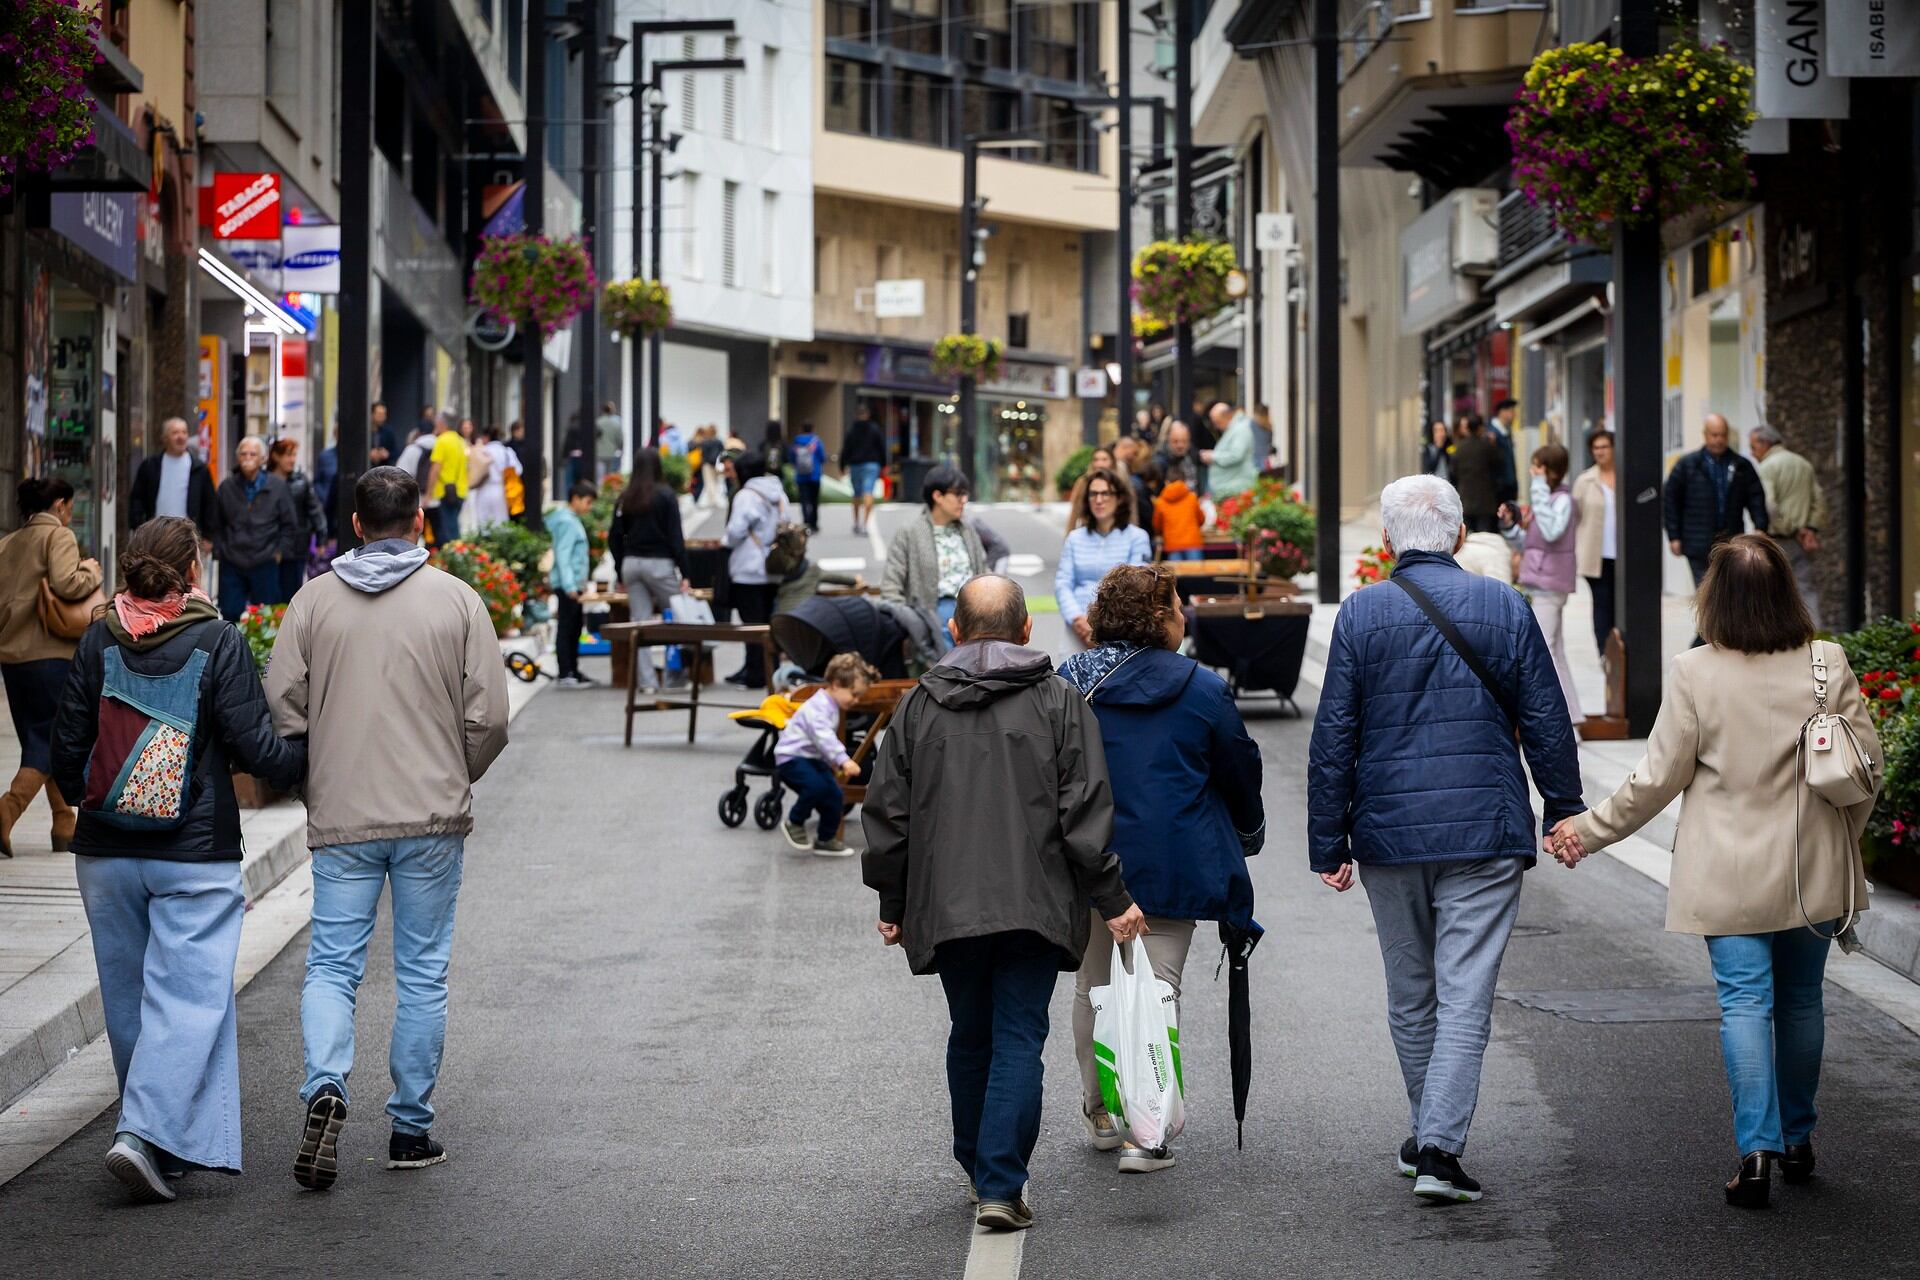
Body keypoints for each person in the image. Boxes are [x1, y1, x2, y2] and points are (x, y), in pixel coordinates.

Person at [1551, 534, 1880, 1210]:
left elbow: (1656, 779)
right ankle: (1798, 1139)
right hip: (1810, 867)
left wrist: (1587, 830)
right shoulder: (1827, 663)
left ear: (1715, 599)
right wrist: (1844, 838)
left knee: (1744, 1005)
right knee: (1802, 1003)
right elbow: (1865, 768)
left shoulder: (1695, 671)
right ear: (1787, 591)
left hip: (1727, 873)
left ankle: (1755, 1151)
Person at [1307, 474, 1584, 1205]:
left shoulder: (1362, 614)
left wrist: (1326, 842)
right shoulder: (1504, 605)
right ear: (1459, 536)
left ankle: (1429, 1134)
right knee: (1465, 995)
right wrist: (1563, 807)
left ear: (1389, 542)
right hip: (1485, 829)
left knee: (1412, 992)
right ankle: (1437, 1147)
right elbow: (1547, 718)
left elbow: (1335, 735)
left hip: (1390, 836)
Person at [861, 575, 1145, 1232]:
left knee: (970, 1033)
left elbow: (889, 813)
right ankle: (1000, 1183)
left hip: (947, 903)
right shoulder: (1059, 700)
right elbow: (1086, 811)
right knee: (1019, 1035)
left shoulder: (919, 705)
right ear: (1025, 631)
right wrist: (1112, 897)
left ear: (954, 631)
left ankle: (976, 1169)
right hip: (1035, 902)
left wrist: (893, 898)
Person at [267, 466, 508, 1191]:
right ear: (422, 522)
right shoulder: (458, 601)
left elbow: (283, 702)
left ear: (356, 525)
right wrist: (451, 767)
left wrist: (319, 770)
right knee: (422, 971)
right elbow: (490, 717)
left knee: (333, 965)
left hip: (343, 815)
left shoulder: (312, 603)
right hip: (431, 814)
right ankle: (409, 1128)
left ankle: (325, 1087)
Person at [50, 516, 305, 1201]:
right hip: (193, 854)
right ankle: (143, 1134)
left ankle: (158, 1144)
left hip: (103, 853)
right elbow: (258, 749)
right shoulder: (217, 640)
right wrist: (310, 759)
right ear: (191, 572)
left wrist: (97, 796)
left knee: (130, 1003)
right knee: (189, 1001)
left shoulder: (97, 636)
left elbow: (67, 748)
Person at [1057, 564, 1264, 1173]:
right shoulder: (1200, 686)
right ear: (1157, 617)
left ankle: (1102, 1112)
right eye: (1176, 604)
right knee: (1157, 987)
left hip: (1092, 860)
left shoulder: (1074, 681)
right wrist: (1248, 831)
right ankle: (1144, 1130)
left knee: (1094, 985)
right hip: (1173, 858)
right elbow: (1238, 766)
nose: (1183, 613)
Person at [0, 478, 103, 857]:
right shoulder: (58, 536)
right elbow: (68, 583)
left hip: (13, 659)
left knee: (38, 738)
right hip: (50, 656)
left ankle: (64, 824)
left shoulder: (8, 543)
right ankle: (6, 810)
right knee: (53, 740)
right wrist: (92, 570)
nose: (70, 514)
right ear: (60, 505)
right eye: (70, 507)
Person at [774, 652, 876, 857]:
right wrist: (843, 760)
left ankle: (826, 838)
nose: (856, 700)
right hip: (791, 757)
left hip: (810, 758)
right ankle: (794, 821)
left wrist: (833, 762)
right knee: (816, 787)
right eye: (854, 694)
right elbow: (824, 737)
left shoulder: (830, 705)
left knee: (835, 795)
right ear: (836, 684)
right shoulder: (818, 707)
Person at [1512, 444, 1583, 728]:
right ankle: (1572, 716)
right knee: (1556, 650)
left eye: (1538, 467)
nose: (1533, 472)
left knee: (1547, 652)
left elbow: (1553, 532)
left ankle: (1561, 720)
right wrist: (1510, 525)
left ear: (1551, 471)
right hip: (1538, 579)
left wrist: (1538, 490)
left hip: (1551, 584)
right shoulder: (1547, 499)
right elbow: (1528, 541)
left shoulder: (1562, 501)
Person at [879, 465, 987, 651]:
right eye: (958, 494)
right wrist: (913, 622)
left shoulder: (967, 530)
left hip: (973, 611)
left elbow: (983, 572)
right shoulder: (910, 532)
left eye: (965, 494)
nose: (964, 500)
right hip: (931, 615)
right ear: (937, 496)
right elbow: (891, 587)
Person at [610, 448, 689, 695]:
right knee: (677, 618)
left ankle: (647, 683)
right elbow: (676, 536)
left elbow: (614, 537)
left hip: (631, 565)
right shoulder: (666, 496)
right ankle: (674, 675)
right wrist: (685, 572)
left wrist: (619, 570)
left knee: (639, 623)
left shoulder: (625, 498)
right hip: (660, 564)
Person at [1663, 413, 1770, 589]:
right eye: (1714, 435)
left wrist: (1760, 526)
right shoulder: (1687, 465)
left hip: (1731, 540)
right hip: (1697, 542)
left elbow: (1755, 497)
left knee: (1731, 591)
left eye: (1723, 435)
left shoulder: (1741, 465)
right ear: (1705, 435)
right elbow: (1671, 500)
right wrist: (1674, 536)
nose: (1719, 440)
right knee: (1705, 592)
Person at [1056, 466, 1152, 649]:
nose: (1098, 500)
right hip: (1078, 625)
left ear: (1119, 497)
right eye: (1093, 494)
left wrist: (1103, 628)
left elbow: (1136, 588)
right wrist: (1078, 620)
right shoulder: (1075, 538)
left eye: (1105, 493)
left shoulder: (1136, 537)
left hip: (1120, 628)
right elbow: (1063, 583)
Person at [723, 454, 791, 688]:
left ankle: (755, 673)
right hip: (774, 567)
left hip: (748, 569)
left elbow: (735, 531)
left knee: (751, 626)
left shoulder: (746, 496)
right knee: (769, 624)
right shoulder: (779, 495)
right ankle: (770, 670)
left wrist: (726, 542)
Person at [214, 435, 298, 622]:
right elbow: (217, 523)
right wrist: (220, 551)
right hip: (232, 561)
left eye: (253, 454)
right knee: (230, 613)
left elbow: (289, 524)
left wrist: (279, 552)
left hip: (265, 560)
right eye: (243, 454)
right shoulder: (226, 487)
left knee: (266, 616)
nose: (247, 458)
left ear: (263, 459)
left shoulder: (277, 486)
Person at [1749, 423, 1826, 625]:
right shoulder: (1803, 464)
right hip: (1801, 541)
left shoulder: (1767, 467)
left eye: (1754, 447)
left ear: (1765, 443)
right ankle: (1814, 639)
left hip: (1778, 539)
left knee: (1771, 591)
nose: (1752, 453)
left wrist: (1789, 526)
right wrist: (1809, 528)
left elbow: (1769, 504)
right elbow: (1819, 501)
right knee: (1806, 589)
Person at [129, 416, 220, 543]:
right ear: (165, 438)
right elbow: (137, 499)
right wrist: (138, 525)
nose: (181, 437)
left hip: (188, 538)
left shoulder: (199, 468)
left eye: (184, 432)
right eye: (175, 433)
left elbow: (210, 504)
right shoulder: (150, 466)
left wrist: (209, 537)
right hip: (156, 537)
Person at [547, 481, 598, 690]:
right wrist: (570, 585)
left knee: (575, 626)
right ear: (575, 498)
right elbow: (563, 554)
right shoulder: (567, 522)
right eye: (587, 502)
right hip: (568, 585)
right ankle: (566, 671)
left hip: (573, 584)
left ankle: (573, 670)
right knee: (568, 627)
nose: (589, 507)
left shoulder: (569, 519)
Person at [1572, 429, 1617, 658]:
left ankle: (1621, 648)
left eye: (1604, 447)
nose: (1600, 451)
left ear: (1613, 448)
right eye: (1596, 447)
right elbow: (1575, 516)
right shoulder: (1585, 480)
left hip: (1623, 554)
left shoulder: (1624, 476)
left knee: (1622, 605)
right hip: (1596, 555)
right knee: (1602, 604)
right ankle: (1604, 652)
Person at [268, 437, 326, 604]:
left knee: (292, 592)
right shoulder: (264, 481)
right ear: (276, 456)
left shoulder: (301, 481)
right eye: (288, 455)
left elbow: (314, 510)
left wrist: (321, 537)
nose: (292, 459)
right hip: (269, 545)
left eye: (294, 455)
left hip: (297, 545)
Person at [1446, 415, 1504, 534]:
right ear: (1480, 428)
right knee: (1483, 536)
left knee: (1466, 536)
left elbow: (1453, 472)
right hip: (1485, 500)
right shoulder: (1487, 446)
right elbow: (1498, 466)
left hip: (1465, 500)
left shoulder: (1459, 448)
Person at [424, 413, 470, 547]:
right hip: (460, 491)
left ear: (442, 424)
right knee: (453, 528)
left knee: (447, 535)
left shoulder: (442, 441)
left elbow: (435, 469)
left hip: (445, 492)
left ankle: (452, 563)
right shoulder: (460, 441)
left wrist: (428, 494)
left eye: (437, 422)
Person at [842, 406, 887, 537]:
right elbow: (881, 447)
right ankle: (865, 524)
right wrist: (884, 464)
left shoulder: (852, 430)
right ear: (867, 415)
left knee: (856, 494)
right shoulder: (874, 429)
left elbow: (846, 448)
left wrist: (842, 464)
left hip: (855, 464)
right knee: (868, 492)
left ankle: (856, 523)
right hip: (872, 464)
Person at [1199, 402, 1257, 499]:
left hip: (1236, 489)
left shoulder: (1240, 429)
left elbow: (1236, 455)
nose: (1216, 427)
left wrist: (1212, 456)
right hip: (1231, 488)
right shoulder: (1234, 429)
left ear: (1226, 416)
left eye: (1217, 422)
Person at [466, 424, 515, 528]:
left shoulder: (481, 451)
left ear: (486, 437)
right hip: (501, 489)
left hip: (483, 488)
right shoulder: (507, 451)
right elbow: (518, 470)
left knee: (484, 522)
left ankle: (485, 543)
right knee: (501, 522)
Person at [1152, 472, 1205, 562]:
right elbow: (1201, 519)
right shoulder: (1192, 497)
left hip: (1172, 545)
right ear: (1183, 481)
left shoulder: (1160, 502)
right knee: (1196, 573)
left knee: (1176, 575)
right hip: (1192, 542)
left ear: (1167, 482)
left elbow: (1157, 525)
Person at [789, 421, 826, 533]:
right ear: (813, 429)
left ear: (801, 429)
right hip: (814, 475)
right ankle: (814, 523)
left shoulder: (796, 442)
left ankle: (806, 523)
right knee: (814, 500)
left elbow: (792, 457)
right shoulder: (816, 441)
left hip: (801, 476)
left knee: (804, 500)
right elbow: (822, 457)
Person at [1487, 399, 1521, 509]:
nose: (1514, 415)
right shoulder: (1492, 433)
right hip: (1499, 488)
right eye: (1511, 411)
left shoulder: (1506, 432)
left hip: (1509, 485)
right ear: (1502, 412)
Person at [1155, 421, 1200, 491]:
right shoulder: (1160, 462)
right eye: (1175, 441)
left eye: (1184, 441)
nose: (1180, 445)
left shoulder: (1193, 453)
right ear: (1168, 440)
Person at [594, 401, 624, 481]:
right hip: (612, 452)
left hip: (599, 453)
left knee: (600, 477)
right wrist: (620, 449)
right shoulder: (616, 424)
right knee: (611, 477)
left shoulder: (597, 422)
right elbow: (620, 439)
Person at [368, 401, 398, 470]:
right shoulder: (363, 431)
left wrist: (387, 454)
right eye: (379, 414)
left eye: (384, 414)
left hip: (382, 470)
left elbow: (396, 452)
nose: (382, 417)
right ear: (372, 414)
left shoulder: (388, 432)